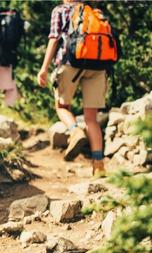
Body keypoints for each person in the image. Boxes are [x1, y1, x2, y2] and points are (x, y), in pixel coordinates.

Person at [37, 0, 106, 175]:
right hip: (97, 67)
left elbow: (54, 39)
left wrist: (44, 69)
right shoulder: (94, 11)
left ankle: (75, 132)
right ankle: (99, 166)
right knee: (91, 118)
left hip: (70, 62)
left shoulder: (60, 10)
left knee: (61, 107)